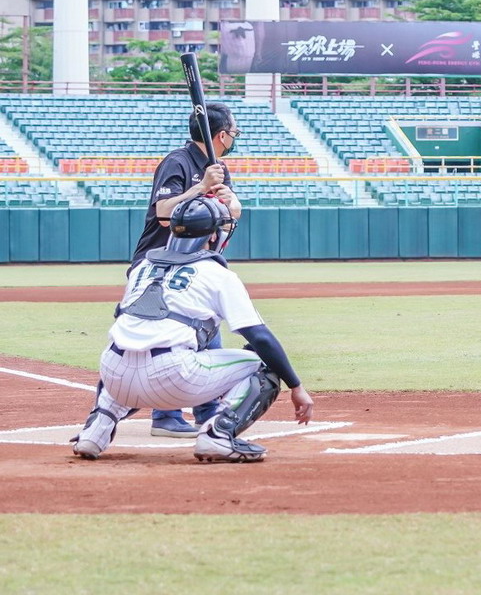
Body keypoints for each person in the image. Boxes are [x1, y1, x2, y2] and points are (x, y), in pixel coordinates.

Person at [72, 196, 313, 463]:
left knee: (128, 345)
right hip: (172, 376)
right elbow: (260, 337)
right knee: (264, 365)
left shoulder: (142, 267)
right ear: (211, 238)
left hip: (114, 375)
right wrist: (296, 386)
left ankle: (95, 429)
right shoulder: (217, 274)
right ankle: (218, 436)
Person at [133, 102, 243, 437]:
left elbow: (234, 213)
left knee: (208, 332)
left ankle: (207, 410)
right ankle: (166, 416)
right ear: (221, 134)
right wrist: (199, 187)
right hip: (158, 265)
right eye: (235, 131)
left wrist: (226, 198)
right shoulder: (177, 162)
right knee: (174, 338)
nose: (236, 136)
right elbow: (164, 213)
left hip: (196, 264)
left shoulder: (218, 166)